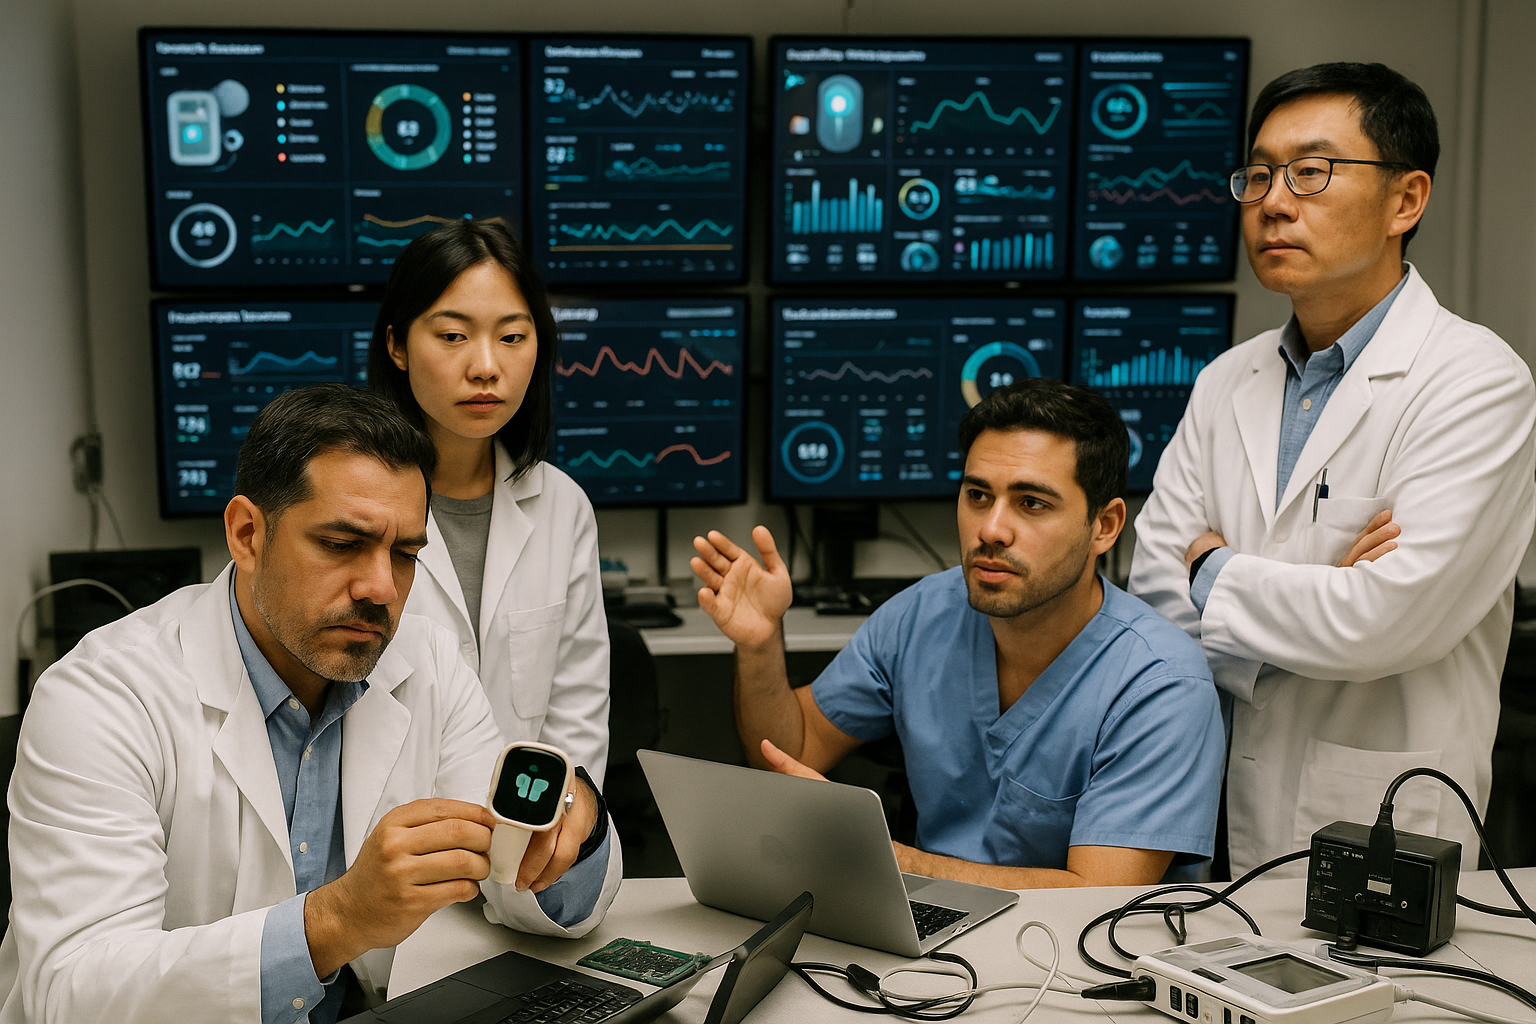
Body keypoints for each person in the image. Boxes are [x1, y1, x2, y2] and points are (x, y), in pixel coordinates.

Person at [0, 385, 620, 1024]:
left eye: (404, 554)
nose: (381, 588)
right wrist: (339, 919)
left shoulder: (427, 663)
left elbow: (513, 877)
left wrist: (577, 829)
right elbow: (73, 995)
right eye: (342, 543)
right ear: (247, 534)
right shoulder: (102, 697)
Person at [1129, 63, 1536, 875]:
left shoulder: (1477, 382)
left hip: (1387, 816)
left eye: (1312, 172)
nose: (1274, 202)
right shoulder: (1224, 382)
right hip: (1214, 819)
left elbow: (1385, 619)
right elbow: (1152, 598)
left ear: (1406, 200)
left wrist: (1216, 571)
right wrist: (1320, 591)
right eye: (1259, 175)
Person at [691, 379, 1225, 887]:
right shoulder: (921, 615)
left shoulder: (1162, 683)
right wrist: (760, 645)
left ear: (1104, 526)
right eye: (977, 495)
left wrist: (883, 858)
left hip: (1079, 962)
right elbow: (791, 750)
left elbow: (1097, 892)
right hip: (926, 938)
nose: (991, 529)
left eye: (1032, 502)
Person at [368, 219, 610, 785]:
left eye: (512, 336)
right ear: (398, 345)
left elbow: (577, 718)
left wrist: (553, 834)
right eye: (453, 336)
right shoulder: (345, 506)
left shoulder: (562, 507)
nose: (485, 367)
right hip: (384, 848)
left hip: (525, 849)